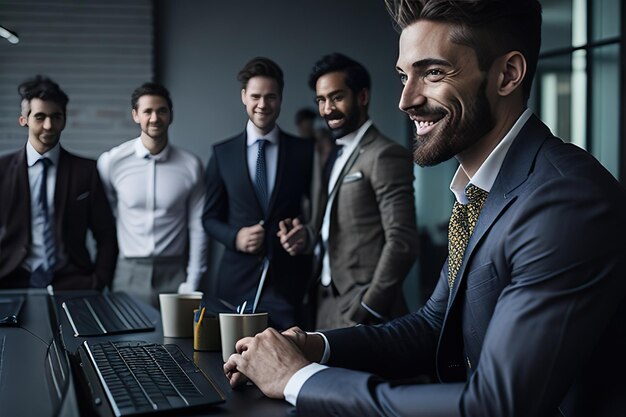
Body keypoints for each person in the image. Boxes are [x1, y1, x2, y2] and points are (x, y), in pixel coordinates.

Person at [223, 1, 626, 415]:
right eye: (404, 76)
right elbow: (432, 326)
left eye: (432, 73)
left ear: (507, 75)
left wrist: (297, 379)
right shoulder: (481, 189)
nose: (406, 100)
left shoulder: (565, 200)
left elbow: (497, 405)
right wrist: (313, 345)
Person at [278, 53, 419, 329]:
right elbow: (327, 223)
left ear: (362, 96)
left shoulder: (385, 154)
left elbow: (402, 241)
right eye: (321, 100)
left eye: (337, 97)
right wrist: (304, 237)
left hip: (363, 309)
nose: (327, 109)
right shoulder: (329, 154)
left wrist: (370, 306)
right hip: (323, 305)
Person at [203, 57, 314, 330]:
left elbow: (318, 211)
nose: (263, 104)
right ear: (244, 96)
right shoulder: (222, 153)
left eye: (270, 96)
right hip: (235, 283)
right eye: (255, 96)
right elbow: (209, 218)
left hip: (288, 282)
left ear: (280, 98)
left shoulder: (304, 152)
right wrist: (236, 237)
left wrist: (304, 234)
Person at [0, 75, 118, 290]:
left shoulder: (86, 171)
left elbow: (106, 234)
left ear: (65, 118)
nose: (49, 125)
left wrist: (98, 281)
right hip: (11, 282)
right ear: (23, 120)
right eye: (40, 117)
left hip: (74, 283)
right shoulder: (2, 169)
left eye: (56, 116)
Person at [97, 82, 208, 307]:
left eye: (161, 111)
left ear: (171, 115)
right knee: (126, 341)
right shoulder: (112, 162)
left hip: (175, 273)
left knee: (177, 342)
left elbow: (198, 226)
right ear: (135, 115)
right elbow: (104, 221)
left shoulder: (191, 165)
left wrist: (193, 281)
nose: (155, 118)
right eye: (147, 111)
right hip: (128, 271)